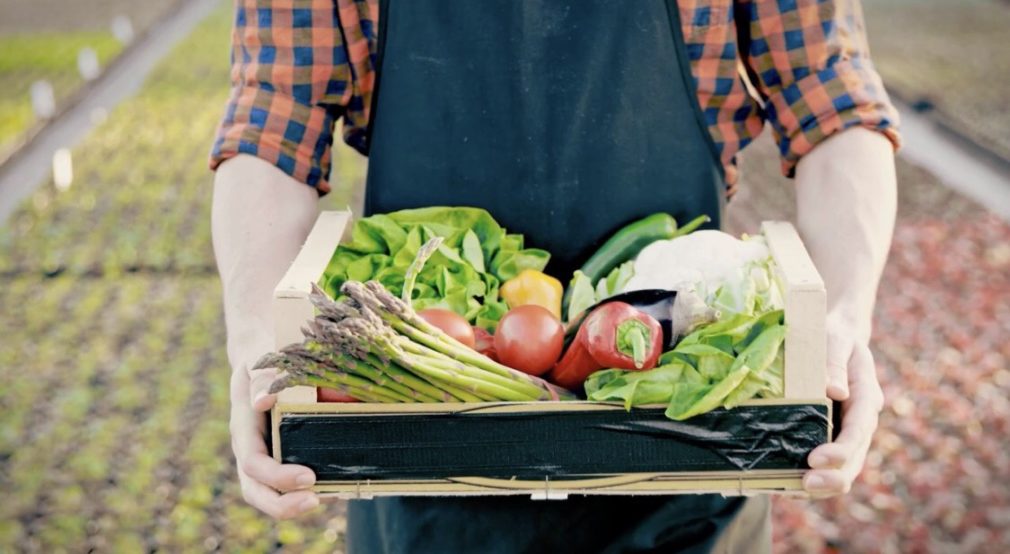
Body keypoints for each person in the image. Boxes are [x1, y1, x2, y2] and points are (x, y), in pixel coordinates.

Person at [210, 1, 896, 552]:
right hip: (427, 430)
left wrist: (842, 321)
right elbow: (273, 124)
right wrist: (253, 346)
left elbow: (833, 104)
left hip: (689, 433)